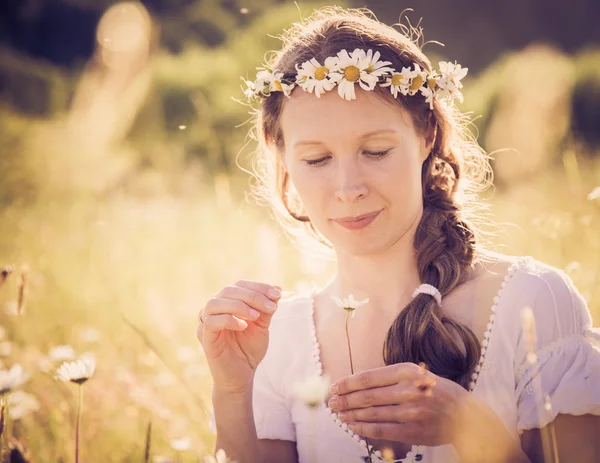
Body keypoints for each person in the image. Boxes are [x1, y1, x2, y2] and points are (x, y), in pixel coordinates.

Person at [196, 6, 600, 463]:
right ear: (282, 156)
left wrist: (470, 428)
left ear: (426, 135)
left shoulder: (533, 303)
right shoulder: (276, 341)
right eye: (317, 160)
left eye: (375, 150)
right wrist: (232, 391)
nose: (348, 189)